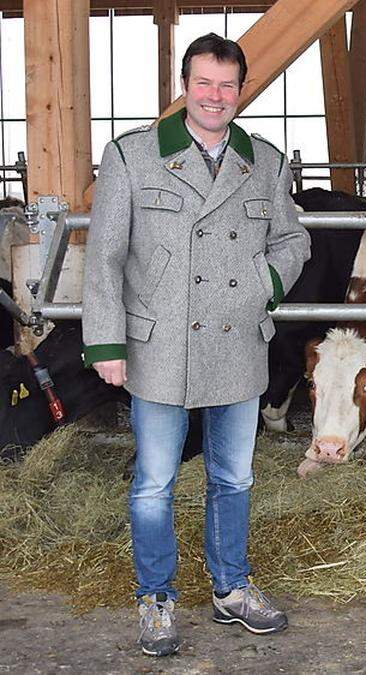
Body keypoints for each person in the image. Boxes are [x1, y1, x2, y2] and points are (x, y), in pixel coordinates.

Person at [82, 33, 310, 657]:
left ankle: (231, 587)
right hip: (159, 345)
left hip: (237, 341)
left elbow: (293, 241)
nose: (215, 96)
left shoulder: (264, 162)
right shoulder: (133, 157)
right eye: (204, 83)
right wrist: (106, 342)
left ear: (242, 89)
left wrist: (264, 282)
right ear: (184, 87)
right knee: (154, 481)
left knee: (233, 477)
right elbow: (103, 259)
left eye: (227, 84)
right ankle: (156, 596)